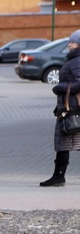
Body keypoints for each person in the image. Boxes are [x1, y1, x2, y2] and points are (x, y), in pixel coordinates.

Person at [40, 30, 80, 187]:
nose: (69, 45)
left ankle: (59, 176)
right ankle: (58, 176)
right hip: (69, 107)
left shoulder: (76, 61)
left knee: (64, 142)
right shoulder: (74, 59)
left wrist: (61, 87)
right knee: (64, 143)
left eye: (72, 42)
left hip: (72, 109)